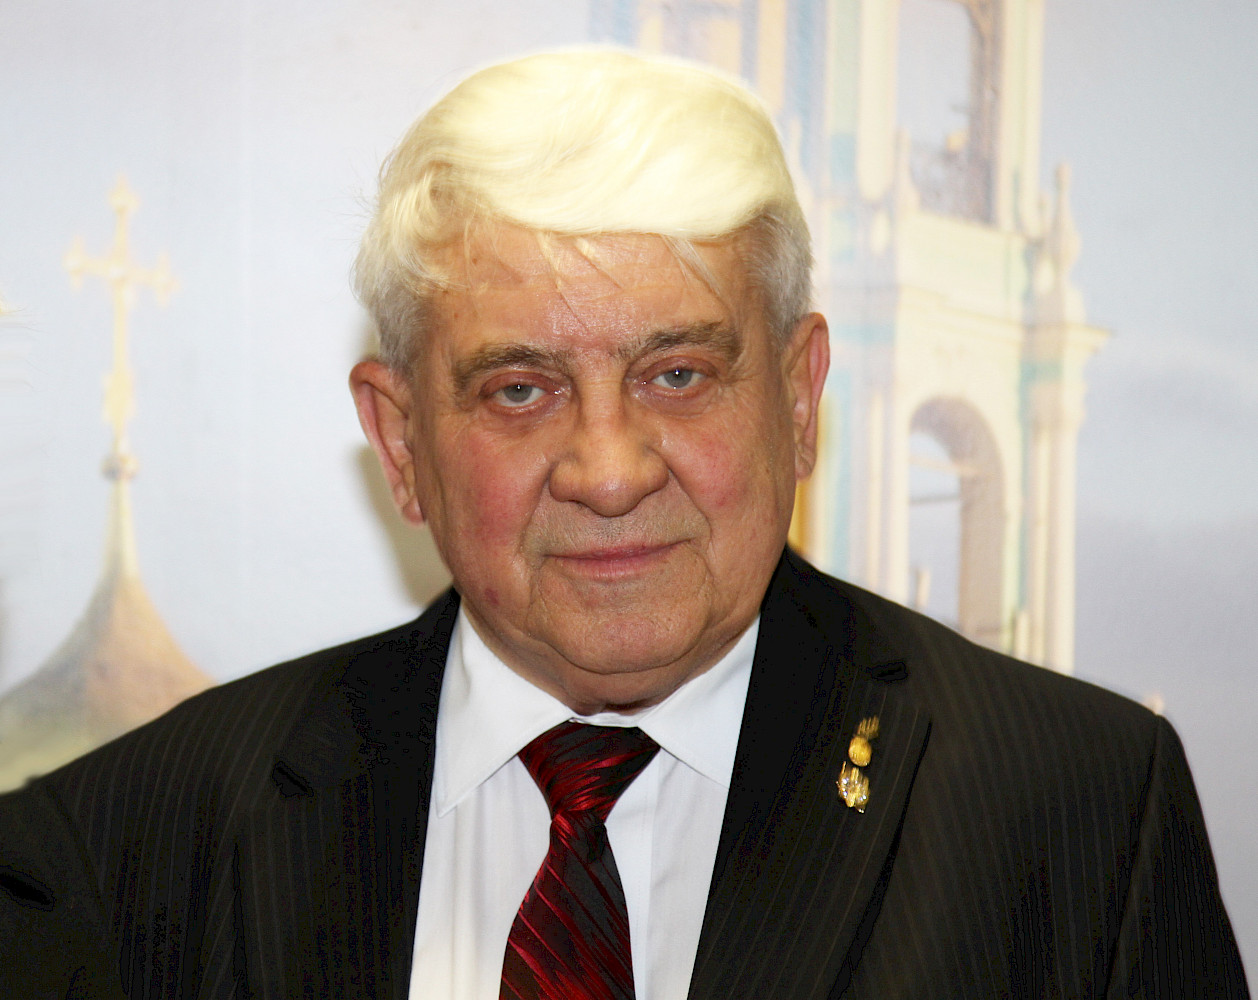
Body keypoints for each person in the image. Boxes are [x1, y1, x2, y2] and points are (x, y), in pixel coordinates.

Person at [0, 49, 1248, 999]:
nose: (607, 471)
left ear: (798, 400)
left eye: (678, 374)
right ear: (401, 441)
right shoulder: (119, 850)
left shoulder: (1078, 819)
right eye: (519, 389)